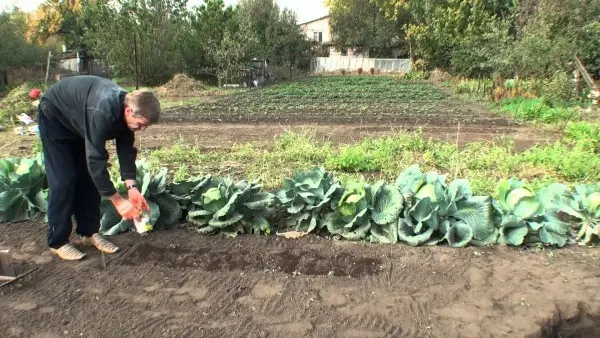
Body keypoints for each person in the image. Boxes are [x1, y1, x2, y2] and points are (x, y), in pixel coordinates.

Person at [37, 75, 160, 261]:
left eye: (146, 126)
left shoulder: (126, 116)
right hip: (56, 118)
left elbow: (126, 150)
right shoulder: (103, 111)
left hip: (79, 120)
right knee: (64, 180)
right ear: (129, 111)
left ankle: (89, 233)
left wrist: (132, 188)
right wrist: (118, 201)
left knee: (88, 178)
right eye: (141, 124)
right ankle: (58, 241)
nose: (142, 129)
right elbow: (96, 159)